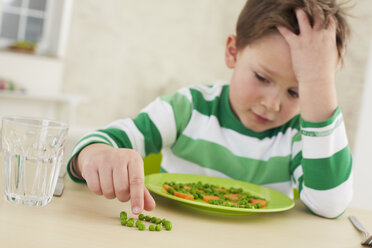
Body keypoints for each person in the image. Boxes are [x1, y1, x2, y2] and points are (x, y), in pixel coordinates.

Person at [67, 0, 353, 218]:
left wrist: (318, 80)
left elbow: (331, 204)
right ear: (233, 52)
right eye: (262, 78)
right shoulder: (189, 108)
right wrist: (95, 156)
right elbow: (100, 142)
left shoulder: (299, 136)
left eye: (296, 92)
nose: (271, 104)